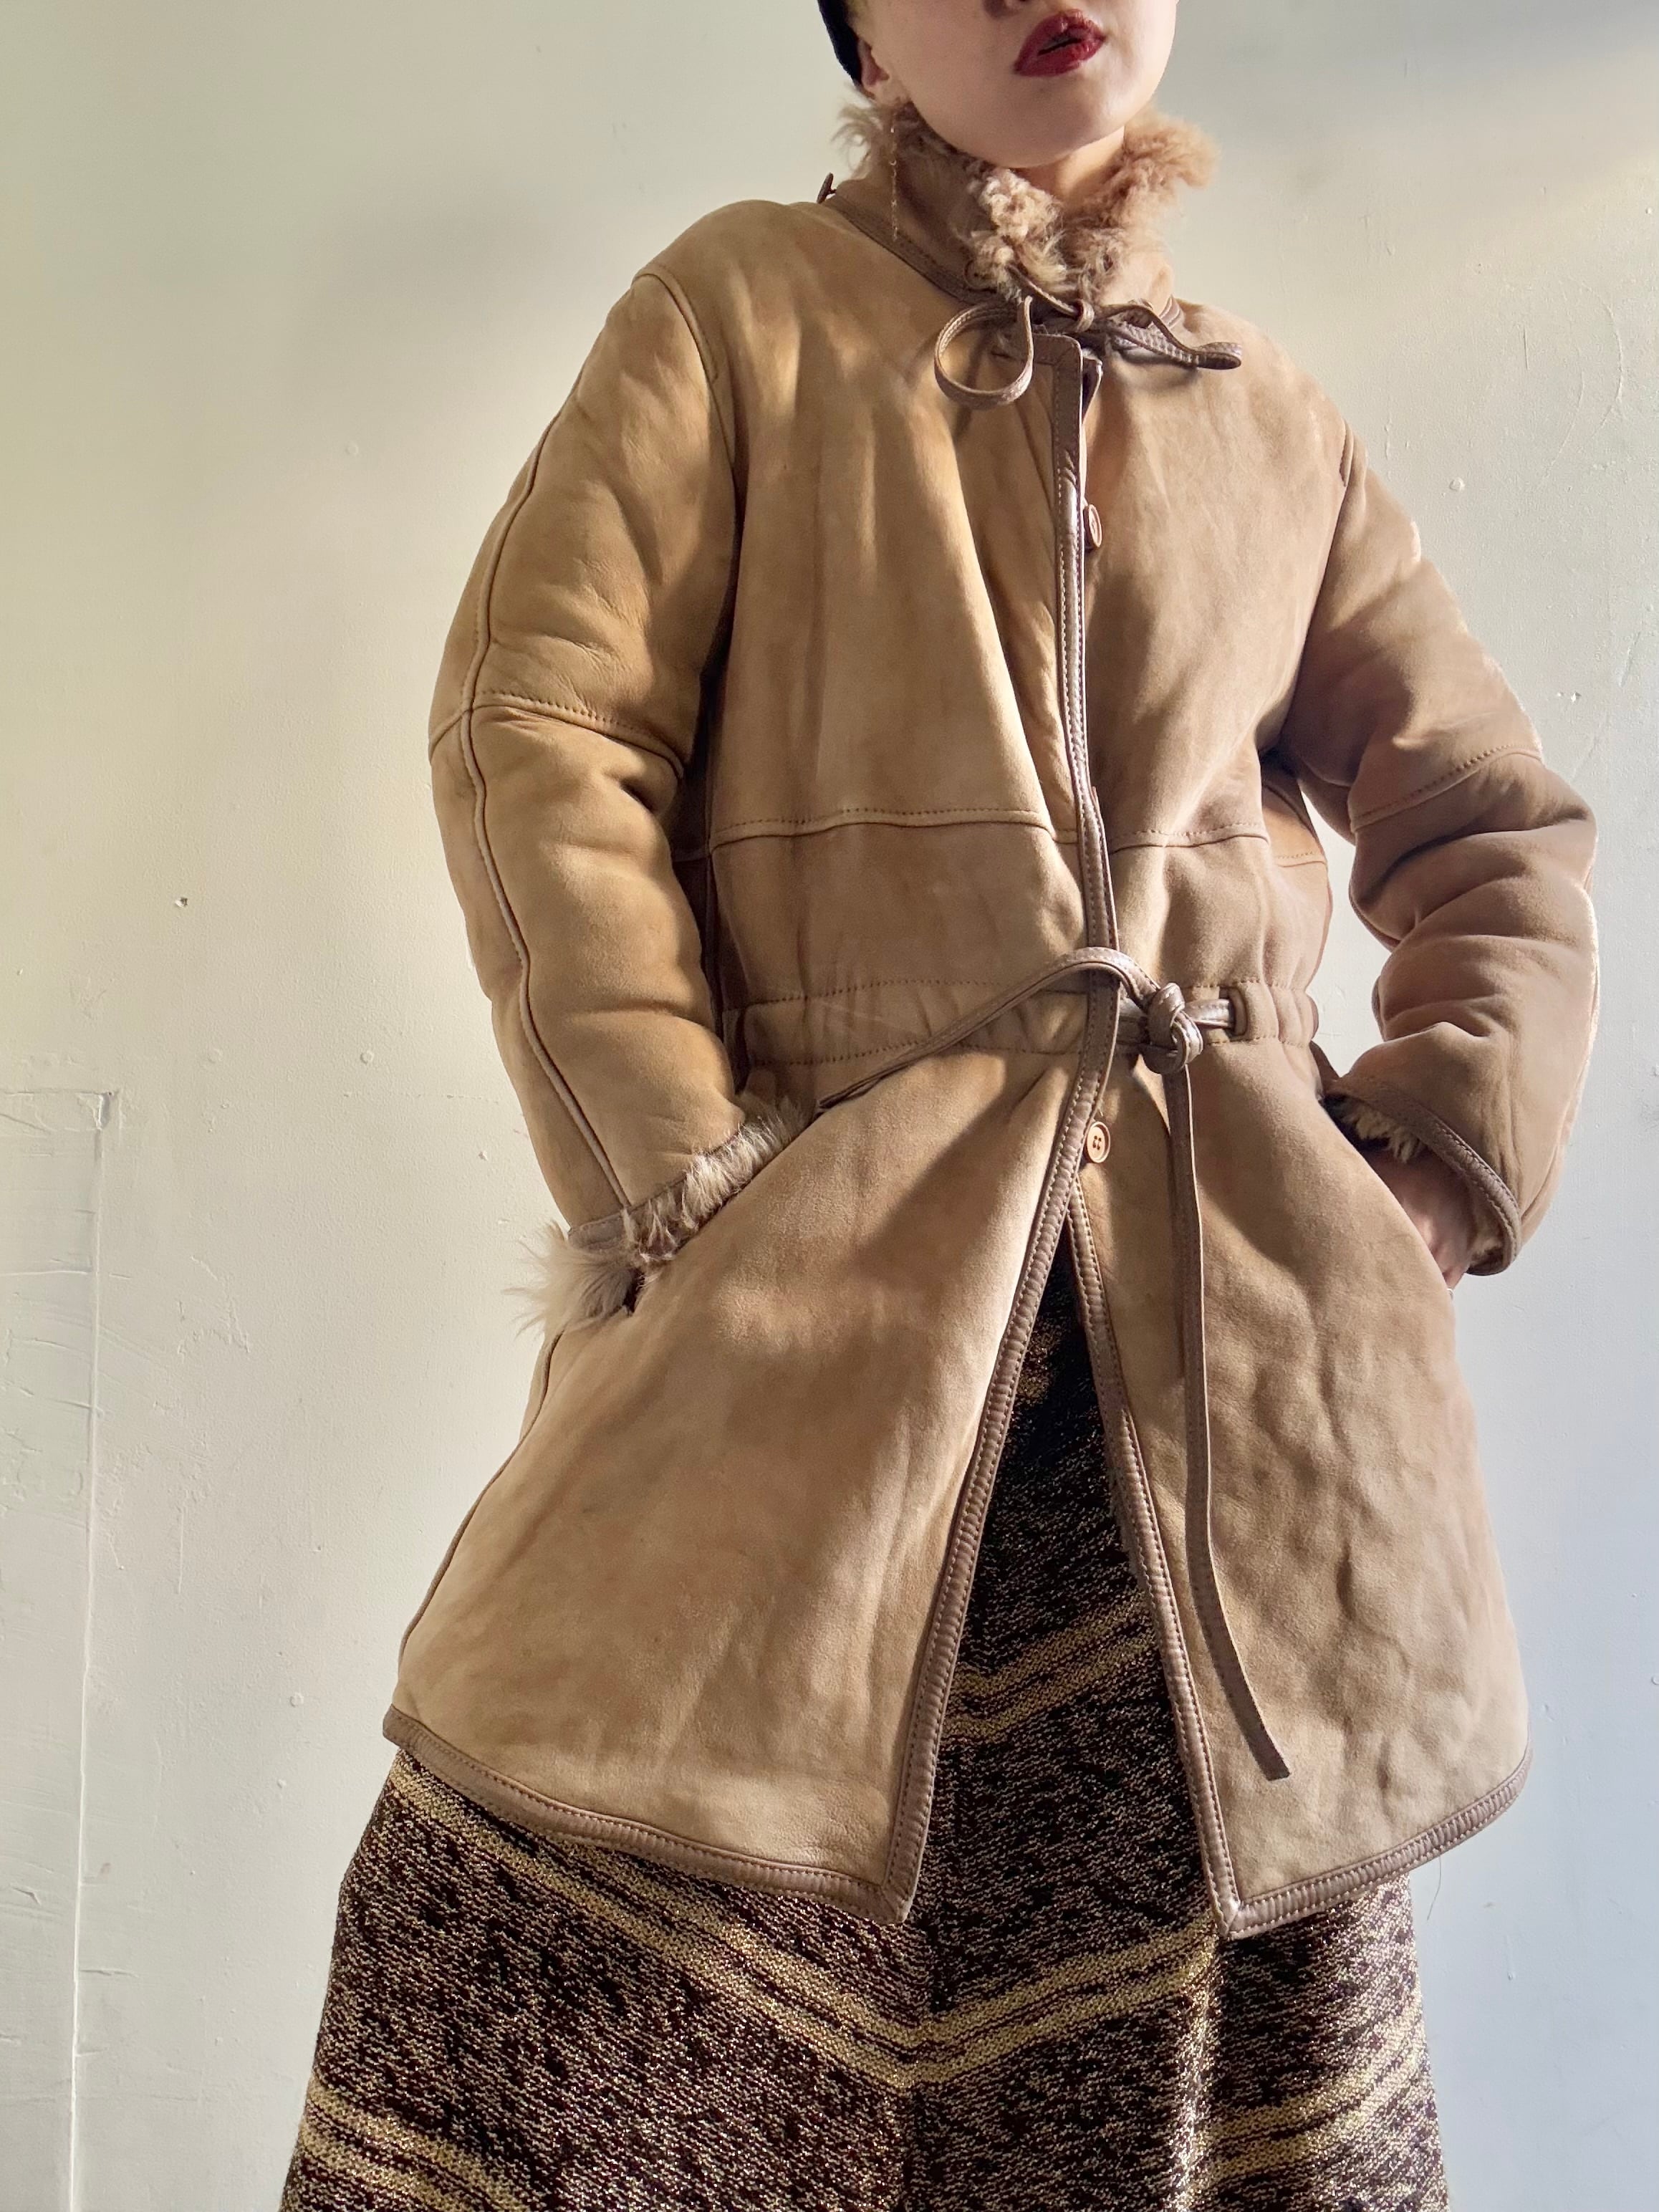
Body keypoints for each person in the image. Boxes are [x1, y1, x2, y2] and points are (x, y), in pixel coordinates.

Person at [280, 0, 1600, 2203]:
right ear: (864, 44)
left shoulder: (1265, 411)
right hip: (819, 1353)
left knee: (1178, 2064)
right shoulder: (738, 312)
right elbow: (537, 725)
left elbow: (1488, 831)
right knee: (523, 1976)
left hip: (1219, 1406)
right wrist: (680, 1170)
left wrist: (1432, 1173)